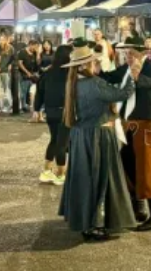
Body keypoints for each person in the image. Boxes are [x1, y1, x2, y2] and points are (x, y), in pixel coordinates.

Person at [58, 42, 137, 241]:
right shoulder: (94, 84)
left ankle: (86, 221)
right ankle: (94, 225)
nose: (96, 64)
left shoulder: (72, 83)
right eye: (93, 61)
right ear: (86, 65)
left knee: (84, 180)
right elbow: (122, 94)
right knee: (99, 180)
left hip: (79, 136)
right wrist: (132, 78)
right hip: (97, 137)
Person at [117, 35, 151, 231]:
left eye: (132, 53)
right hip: (130, 124)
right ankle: (138, 207)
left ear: (142, 52)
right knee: (128, 163)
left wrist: (138, 75)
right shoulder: (125, 69)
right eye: (127, 53)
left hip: (148, 124)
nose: (128, 57)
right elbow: (110, 76)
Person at [35, 45, 72, 185]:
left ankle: (46, 171)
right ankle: (60, 174)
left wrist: (37, 109)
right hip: (64, 112)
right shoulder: (70, 73)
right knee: (62, 143)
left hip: (50, 111)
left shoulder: (47, 72)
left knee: (54, 140)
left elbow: (40, 92)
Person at [17, 40, 42, 118]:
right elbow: (20, 63)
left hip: (33, 75)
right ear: (30, 45)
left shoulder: (35, 53)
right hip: (24, 75)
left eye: (37, 47)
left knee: (31, 92)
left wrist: (38, 54)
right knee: (23, 92)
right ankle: (22, 106)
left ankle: (29, 106)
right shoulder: (22, 52)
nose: (36, 48)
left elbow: (38, 63)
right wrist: (27, 72)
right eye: (35, 46)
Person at [0, 36, 15, 115]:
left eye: (3, 40)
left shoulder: (10, 48)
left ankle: (9, 106)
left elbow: (12, 59)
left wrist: (10, 65)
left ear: (6, 40)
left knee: (7, 89)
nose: (1, 41)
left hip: (5, 71)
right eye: (0, 40)